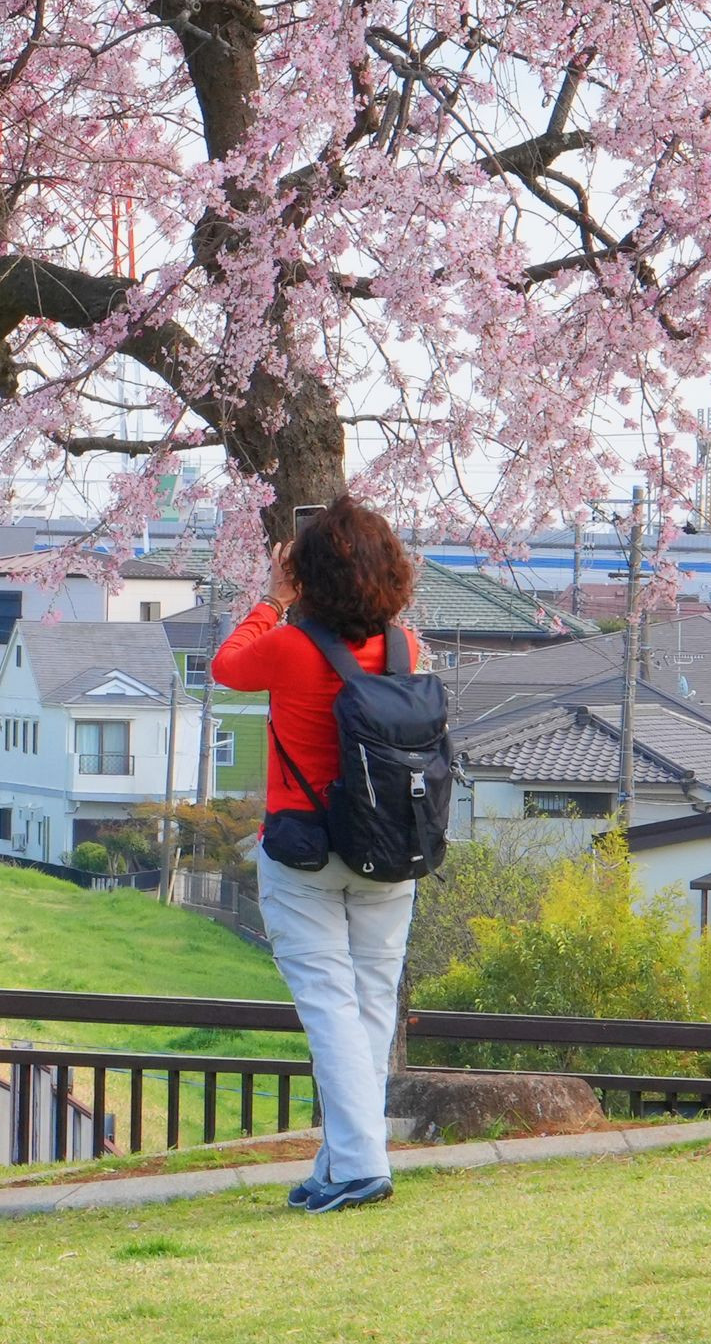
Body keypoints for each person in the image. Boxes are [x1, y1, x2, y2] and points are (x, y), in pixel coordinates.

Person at [211, 497, 425, 1214]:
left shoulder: (289, 646)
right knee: (371, 1006)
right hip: (387, 850)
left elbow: (226, 666)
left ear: (306, 572)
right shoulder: (405, 648)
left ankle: (360, 1165)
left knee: (329, 1006)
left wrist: (274, 599)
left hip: (304, 850)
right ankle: (340, 1160)